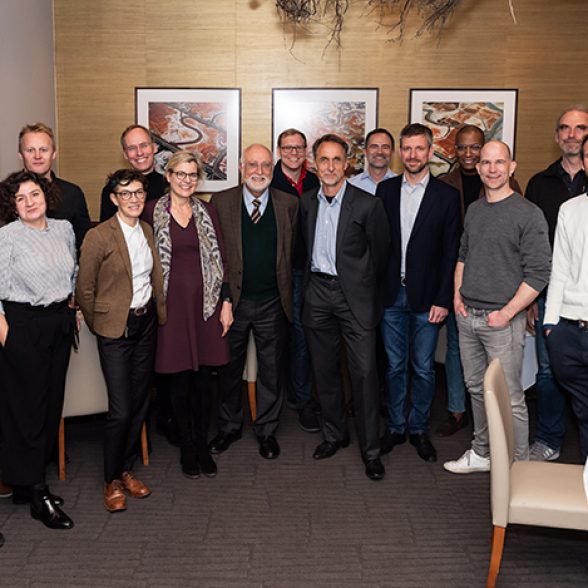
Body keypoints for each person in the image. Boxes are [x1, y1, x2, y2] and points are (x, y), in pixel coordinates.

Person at [443, 141, 551, 474]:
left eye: (499, 162)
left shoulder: (528, 213)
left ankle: (519, 466)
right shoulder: (475, 210)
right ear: (478, 167)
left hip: (502, 322)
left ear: (512, 167)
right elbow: (463, 255)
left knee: (510, 397)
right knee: (476, 388)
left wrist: (506, 313)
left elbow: (539, 273)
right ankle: (482, 452)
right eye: (486, 163)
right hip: (468, 316)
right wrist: (457, 296)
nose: (492, 169)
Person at [300, 134, 390, 481]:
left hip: (355, 298)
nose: (331, 166)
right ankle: (334, 435)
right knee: (324, 372)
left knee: (365, 374)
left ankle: (371, 450)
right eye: (324, 160)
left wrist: (364, 289)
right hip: (318, 294)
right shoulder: (308, 203)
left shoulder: (368, 205)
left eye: (337, 160)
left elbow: (380, 256)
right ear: (315, 164)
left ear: (347, 163)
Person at [76, 169, 166, 512]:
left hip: (146, 325)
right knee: (121, 408)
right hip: (115, 330)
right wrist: (103, 322)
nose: (134, 199)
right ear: (113, 198)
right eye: (126, 194)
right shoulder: (99, 236)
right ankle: (110, 480)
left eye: (139, 193)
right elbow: (84, 288)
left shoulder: (146, 230)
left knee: (141, 401)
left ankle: (126, 468)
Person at [143, 151, 233, 478]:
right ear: (167, 176)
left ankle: (200, 442)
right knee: (178, 379)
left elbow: (221, 258)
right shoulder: (152, 211)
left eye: (192, 175)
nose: (186, 180)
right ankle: (186, 447)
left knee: (202, 379)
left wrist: (226, 302)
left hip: (205, 305)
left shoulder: (207, 211)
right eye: (180, 174)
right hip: (171, 306)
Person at [376, 123, 461, 463]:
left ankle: (419, 429)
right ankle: (396, 426)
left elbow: (450, 251)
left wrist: (443, 298)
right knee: (395, 366)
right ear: (400, 152)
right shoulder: (385, 191)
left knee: (423, 368)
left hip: (428, 298)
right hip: (390, 296)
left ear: (430, 152)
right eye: (407, 149)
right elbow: (377, 247)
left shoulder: (446, 196)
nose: (412, 155)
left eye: (419, 149)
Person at [210, 144, 298, 460]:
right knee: (228, 368)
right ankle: (229, 427)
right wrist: (223, 300)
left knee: (271, 370)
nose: (258, 171)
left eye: (265, 166)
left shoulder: (288, 204)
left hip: (274, 301)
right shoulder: (221, 203)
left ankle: (267, 430)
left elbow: (293, 254)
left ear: (272, 169)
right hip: (233, 303)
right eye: (252, 165)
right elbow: (214, 257)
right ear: (240, 166)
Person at [0, 170, 77, 529]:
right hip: (23, 327)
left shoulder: (63, 229)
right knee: (27, 413)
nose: (29, 202)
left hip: (57, 325)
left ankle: (27, 485)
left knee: (49, 408)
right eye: (21, 198)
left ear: (46, 194)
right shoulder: (6, 238)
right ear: (13, 206)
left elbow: (71, 273)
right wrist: (8, 337)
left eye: (34, 194)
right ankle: (37, 492)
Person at [436, 124, 521, 437]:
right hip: (460, 281)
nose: (469, 154)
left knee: (500, 364)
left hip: (500, 288)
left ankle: (498, 428)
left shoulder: (512, 189)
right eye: (462, 147)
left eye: (476, 148)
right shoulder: (444, 184)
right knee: (460, 351)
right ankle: (459, 411)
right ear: (454, 151)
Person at [525, 105, 588, 461]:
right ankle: (549, 439)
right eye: (565, 128)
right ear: (556, 136)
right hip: (548, 294)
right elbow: (532, 246)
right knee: (548, 374)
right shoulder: (539, 183)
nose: (572, 134)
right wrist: (532, 297)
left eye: (580, 128)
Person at [271, 128, 320, 433]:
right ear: (279, 150)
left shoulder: (315, 181)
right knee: (276, 338)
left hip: (309, 269)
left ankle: (302, 399)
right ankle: (278, 398)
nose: (293, 152)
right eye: (287, 147)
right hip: (277, 271)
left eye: (299, 147)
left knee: (303, 336)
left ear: (306, 151)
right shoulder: (268, 181)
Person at [544, 134, 588, 462]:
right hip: (568, 330)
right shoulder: (570, 210)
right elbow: (558, 268)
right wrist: (550, 324)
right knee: (583, 410)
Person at [18, 122, 91, 251]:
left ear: (54, 154)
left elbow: (84, 247)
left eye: (43, 150)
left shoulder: (73, 194)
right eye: (30, 150)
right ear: (20, 155)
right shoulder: (5, 193)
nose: (37, 156)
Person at [99, 125, 169, 221]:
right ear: (125, 155)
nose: (139, 153)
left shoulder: (169, 185)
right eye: (132, 148)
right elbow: (107, 231)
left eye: (144, 145)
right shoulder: (113, 189)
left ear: (154, 148)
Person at [349, 127, 396, 194]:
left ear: (392, 152)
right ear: (365, 152)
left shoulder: (401, 186)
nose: (380, 152)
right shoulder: (351, 185)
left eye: (385, 147)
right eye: (374, 147)